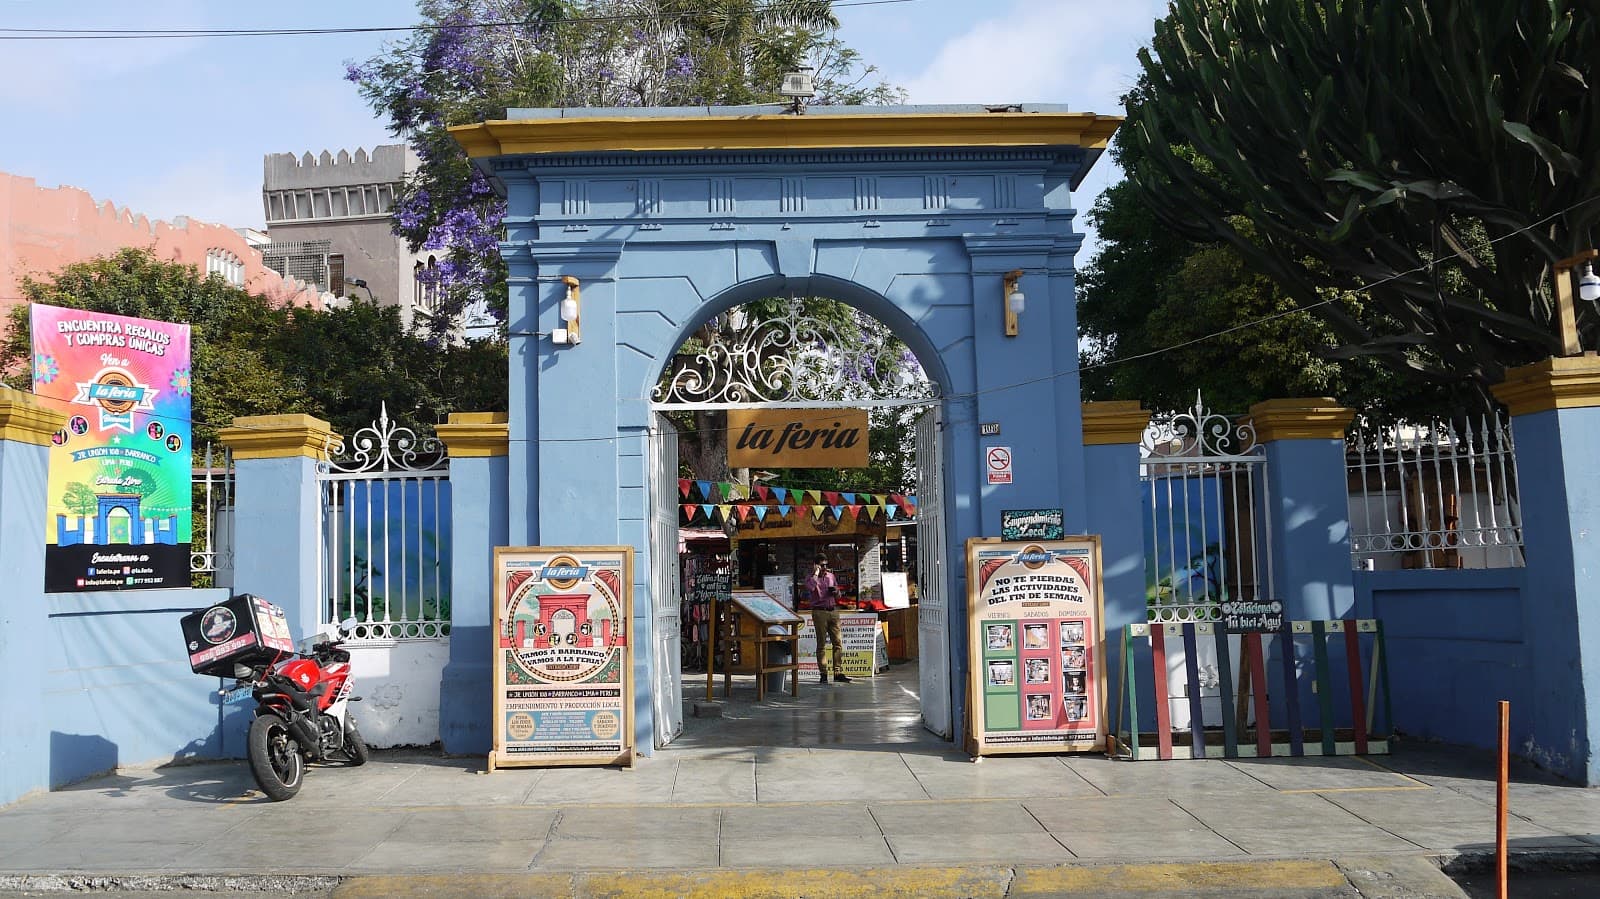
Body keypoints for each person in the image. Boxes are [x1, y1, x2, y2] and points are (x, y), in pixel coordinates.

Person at [805, 554, 850, 683]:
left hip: (833, 610)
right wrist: (816, 573)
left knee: (838, 643)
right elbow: (811, 588)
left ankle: (838, 672)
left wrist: (836, 592)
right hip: (820, 612)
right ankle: (823, 673)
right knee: (821, 644)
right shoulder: (810, 577)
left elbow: (839, 595)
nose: (825, 567)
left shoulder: (831, 576)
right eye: (822, 565)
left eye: (826, 565)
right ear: (816, 565)